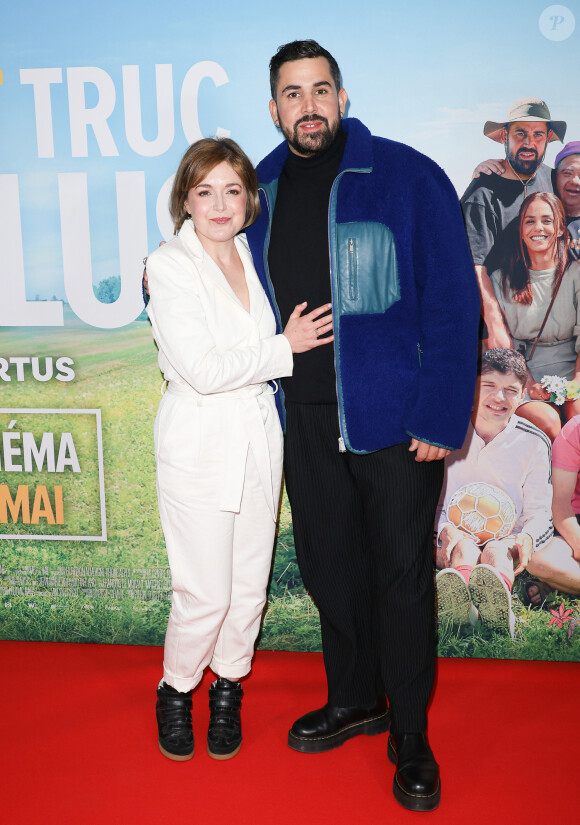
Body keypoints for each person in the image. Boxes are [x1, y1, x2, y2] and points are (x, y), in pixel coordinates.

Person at [244, 40, 480, 812]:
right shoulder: (260, 187)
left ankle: (409, 730)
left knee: (403, 578)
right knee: (329, 567)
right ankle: (354, 696)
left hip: (397, 420)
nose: (307, 106)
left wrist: (443, 412)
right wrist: (161, 275)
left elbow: (453, 307)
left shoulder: (410, 176)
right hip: (302, 417)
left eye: (320, 90)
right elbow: (217, 267)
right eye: (291, 94)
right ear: (273, 106)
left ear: (342, 98)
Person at [146, 138, 334, 762]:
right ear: (186, 200)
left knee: (249, 584)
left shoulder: (253, 252)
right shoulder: (170, 264)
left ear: (250, 198)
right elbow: (201, 368)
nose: (220, 204)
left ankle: (228, 688)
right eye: (205, 191)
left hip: (258, 433)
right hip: (199, 436)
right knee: (205, 591)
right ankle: (176, 690)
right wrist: (286, 347)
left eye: (232, 190)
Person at [435, 348, 553, 637]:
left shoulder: (534, 442)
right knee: (462, 548)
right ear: (472, 386)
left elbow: (540, 513)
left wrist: (525, 538)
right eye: (488, 386)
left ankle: (498, 614)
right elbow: (423, 500)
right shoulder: (446, 431)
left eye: (511, 390)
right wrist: (443, 530)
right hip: (450, 534)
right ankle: (461, 612)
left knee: (496, 551)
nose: (499, 398)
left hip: (506, 538)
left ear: (523, 393)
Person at [460, 99, 566, 349]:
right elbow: (477, 268)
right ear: (505, 136)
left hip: (550, 324)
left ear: (548, 138)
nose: (529, 143)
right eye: (521, 133)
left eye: (538, 134)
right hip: (502, 324)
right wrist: (495, 326)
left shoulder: (552, 179)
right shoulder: (482, 194)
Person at [489, 192, 580, 438]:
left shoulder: (576, 274)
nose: (538, 227)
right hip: (524, 375)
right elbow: (503, 346)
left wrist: (577, 382)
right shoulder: (500, 280)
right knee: (548, 421)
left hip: (574, 371)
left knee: (577, 417)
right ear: (520, 230)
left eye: (547, 220)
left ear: (561, 228)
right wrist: (529, 383)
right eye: (530, 221)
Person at [472, 139, 580, 261]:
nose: (575, 181)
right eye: (567, 173)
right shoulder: (534, 208)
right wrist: (485, 173)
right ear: (555, 175)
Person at [523, 414, 580, 605]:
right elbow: (560, 503)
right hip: (575, 521)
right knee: (537, 559)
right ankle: (564, 580)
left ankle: (562, 583)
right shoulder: (575, 430)